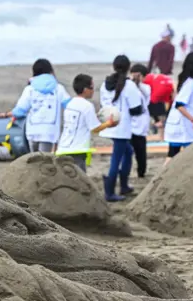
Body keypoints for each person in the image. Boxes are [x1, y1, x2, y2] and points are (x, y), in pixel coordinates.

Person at [0, 59, 71, 153]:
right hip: (49, 132)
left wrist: (6, 114)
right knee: (44, 159)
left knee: (34, 158)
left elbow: (20, 110)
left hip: (32, 130)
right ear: (51, 71)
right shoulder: (59, 88)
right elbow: (70, 106)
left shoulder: (30, 89)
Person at [99, 55, 144, 201]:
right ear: (128, 68)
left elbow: (103, 105)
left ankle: (124, 185)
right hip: (121, 127)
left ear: (114, 66)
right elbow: (136, 109)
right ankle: (110, 191)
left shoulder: (105, 84)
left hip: (109, 124)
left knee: (128, 152)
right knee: (116, 158)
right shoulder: (129, 85)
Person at [55, 74, 114, 172]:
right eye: (92, 87)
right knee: (80, 178)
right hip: (77, 150)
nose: (93, 90)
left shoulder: (70, 103)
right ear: (85, 89)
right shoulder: (87, 105)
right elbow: (95, 129)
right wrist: (109, 123)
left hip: (63, 148)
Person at [163, 51, 193, 166]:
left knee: (172, 154)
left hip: (178, 124)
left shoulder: (186, 81)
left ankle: (162, 175)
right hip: (182, 126)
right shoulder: (191, 83)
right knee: (191, 154)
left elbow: (185, 104)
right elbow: (179, 105)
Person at [128, 63, 151, 178]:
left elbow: (147, 97)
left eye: (139, 76)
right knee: (127, 152)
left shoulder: (145, 87)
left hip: (141, 125)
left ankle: (141, 172)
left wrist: (137, 84)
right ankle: (125, 172)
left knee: (141, 152)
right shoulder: (127, 86)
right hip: (129, 124)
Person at [143, 70, 175, 134]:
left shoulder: (146, 79)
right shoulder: (165, 79)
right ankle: (160, 124)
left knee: (151, 104)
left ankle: (158, 124)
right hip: (167, 88)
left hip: (158, 93)